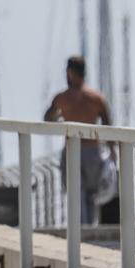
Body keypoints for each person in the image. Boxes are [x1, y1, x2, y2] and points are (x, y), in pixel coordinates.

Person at [44, 56, 114, 225]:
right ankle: (89, 227)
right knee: (91, 195)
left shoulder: (62, 98)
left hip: (72, 151)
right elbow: (109, 125)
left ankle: (81, 230)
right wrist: (112, 152)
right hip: (93, 151)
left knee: (76, 193)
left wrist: (62, 116)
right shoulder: (97, 98)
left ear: (70, 72)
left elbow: (47, 119)